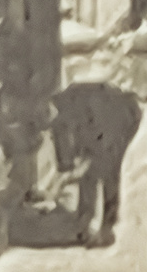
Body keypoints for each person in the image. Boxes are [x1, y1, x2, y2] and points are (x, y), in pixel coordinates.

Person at [52, 67, 140, 243]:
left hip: (118, 119)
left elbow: (102, 147)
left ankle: (106, 224)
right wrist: (69, 166)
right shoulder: (61, 118)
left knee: (108, 172)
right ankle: (86, 221)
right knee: (90, 175)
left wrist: (81, 163)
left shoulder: (105, 111)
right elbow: (65, 148)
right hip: (95, 118)